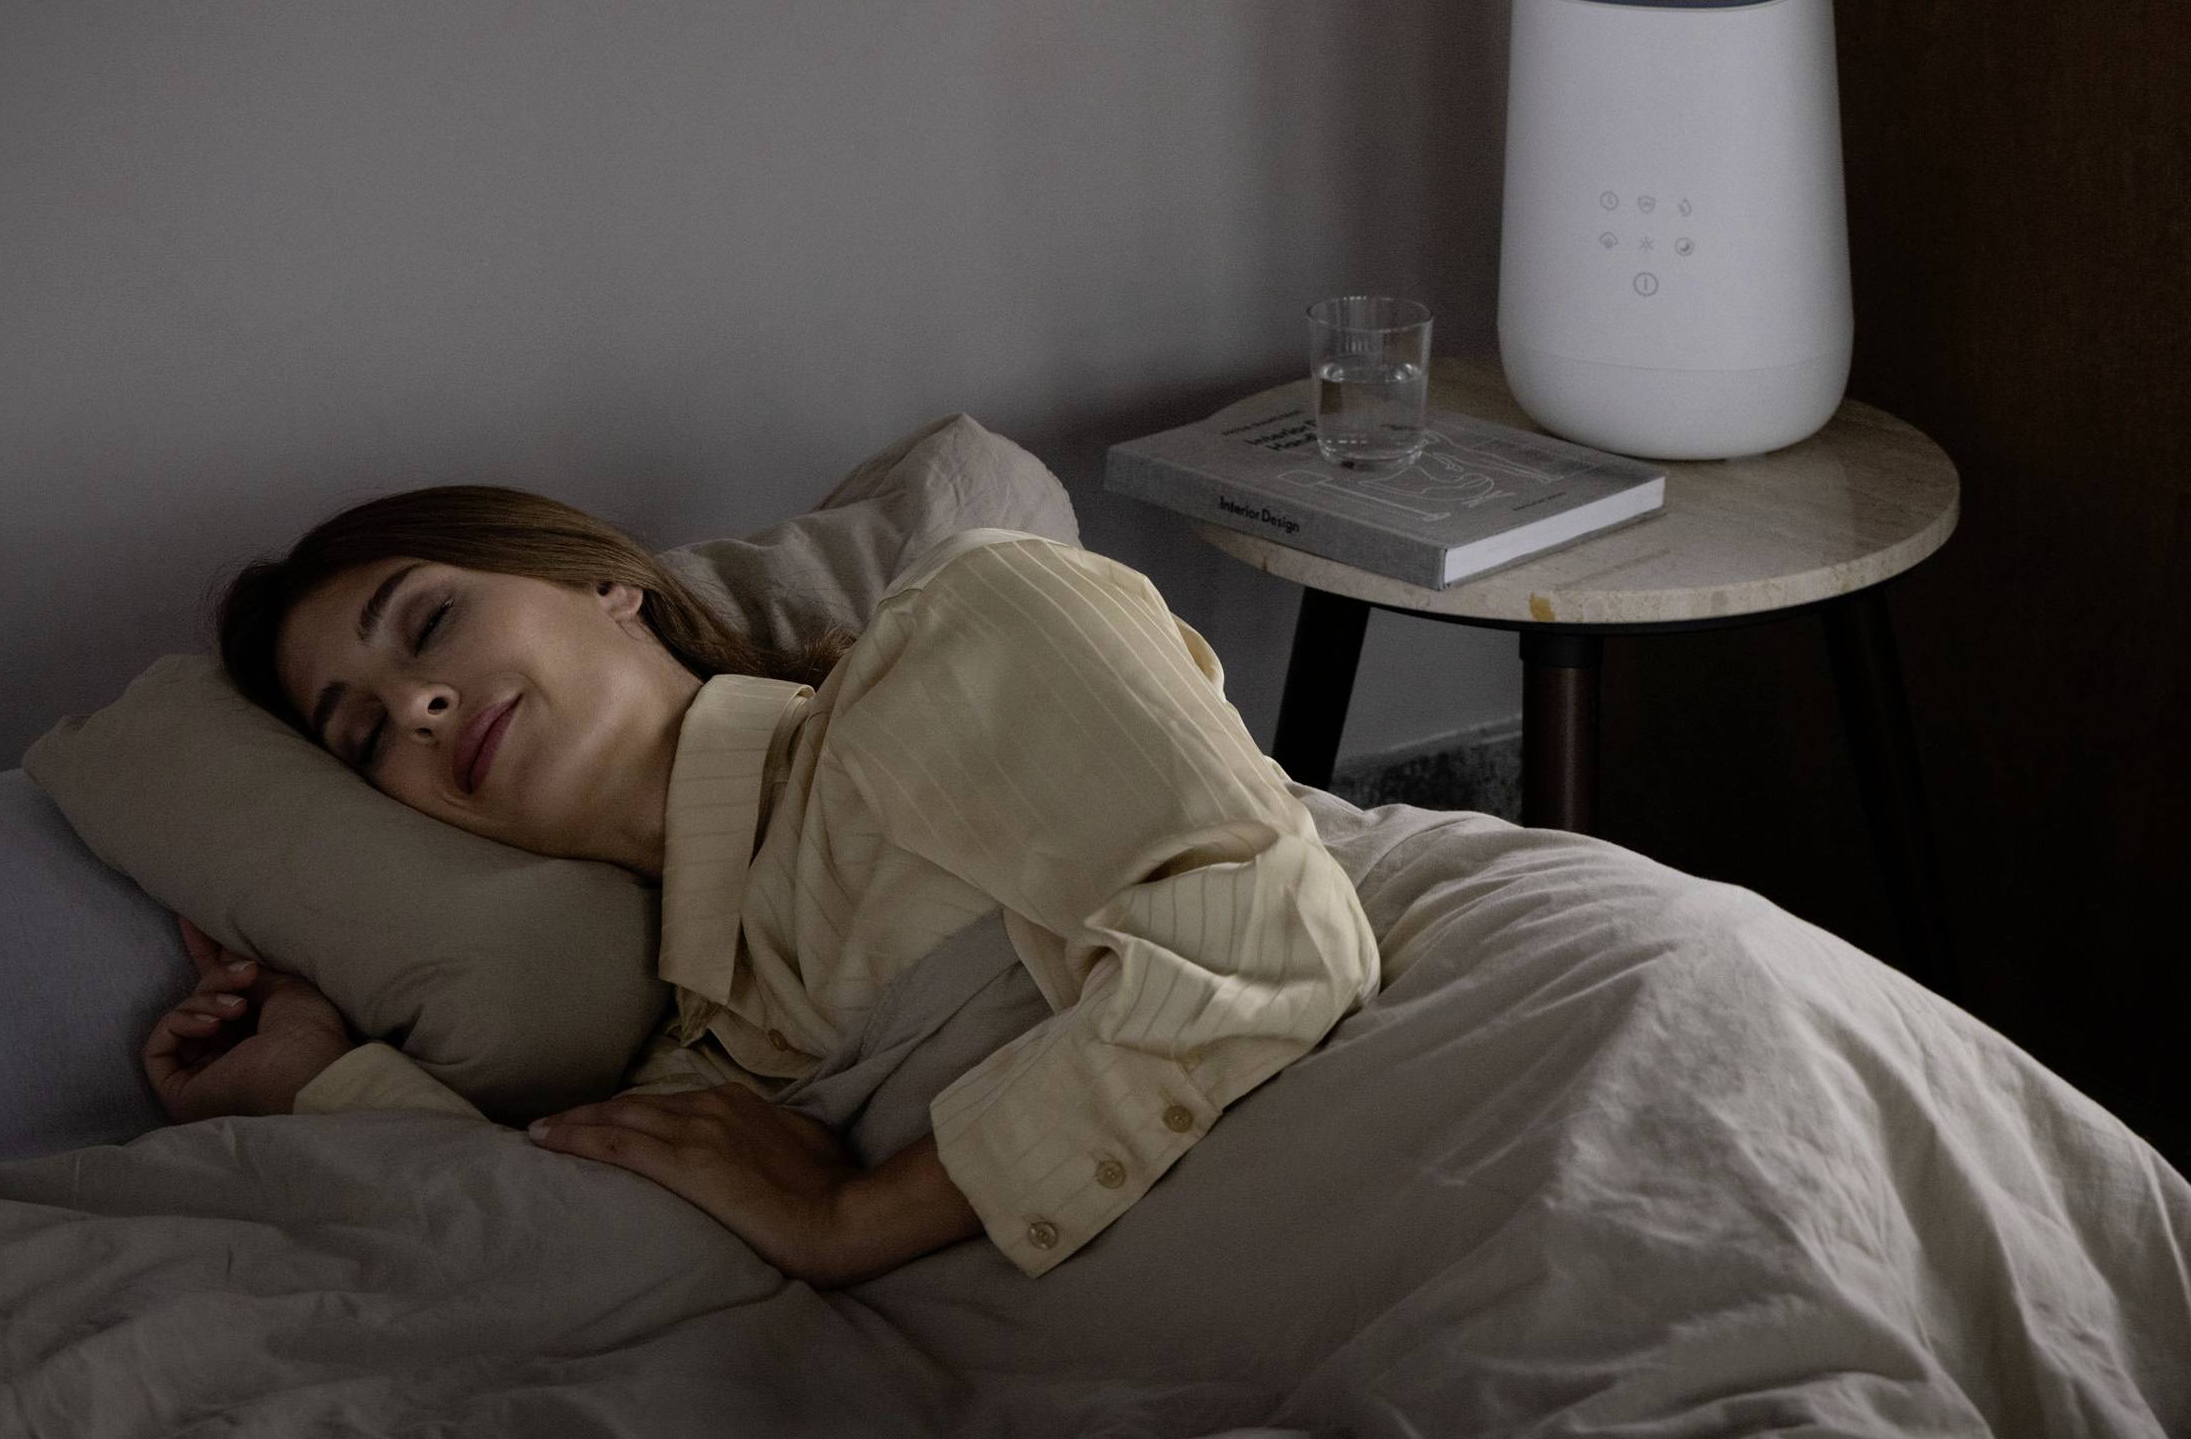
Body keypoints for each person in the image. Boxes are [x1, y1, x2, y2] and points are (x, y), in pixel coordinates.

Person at [146, 485, 1380, 1290]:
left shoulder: (969, 621)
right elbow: (553, 1247)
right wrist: (314, 1077)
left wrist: (859, 1218)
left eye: (428, 626)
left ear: (602, 580)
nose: (413, 710)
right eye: (363, 738)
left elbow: (1271, 935)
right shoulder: (699, 1060)